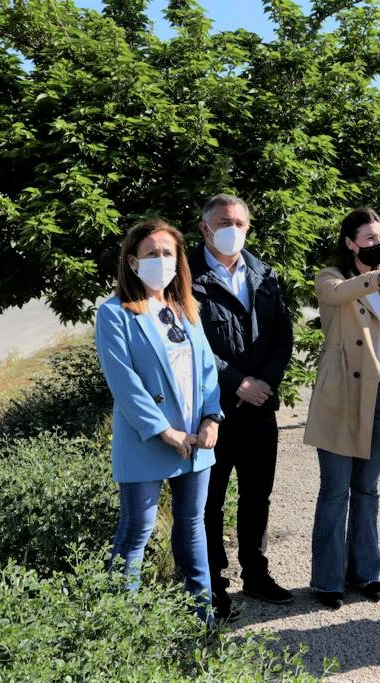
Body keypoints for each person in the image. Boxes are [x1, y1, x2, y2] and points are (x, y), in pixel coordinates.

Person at [95, 218, 222, 622]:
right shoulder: (115, 313)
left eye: (168, 253)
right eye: (152, 254)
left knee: (191, 526)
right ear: (133, 262)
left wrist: (211, 417)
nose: (162, 260)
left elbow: (206, 371)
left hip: (196, 442)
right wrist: (165, 432)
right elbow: (124, 382)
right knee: (137, 531)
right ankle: (122, 628)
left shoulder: (186, 308)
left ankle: (201, 619)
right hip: (148, 440)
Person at [303, 208, 380, 610]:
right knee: (335, 492)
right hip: (344, 398)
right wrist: (379, 276)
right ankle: (327, 581)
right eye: (369, 238)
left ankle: (366, 573)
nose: (377, 244)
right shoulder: (330, 278)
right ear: (350, 242)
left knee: (367, 490)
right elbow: (338, 294)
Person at [190, 193, 294, 620]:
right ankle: (213, 585)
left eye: (240, 223)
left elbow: (282, 336)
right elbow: (190, 342)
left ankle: (256, 572)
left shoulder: (263, 274)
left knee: (258, 496)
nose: (233, 229)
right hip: (212, 410)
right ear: (205, 227)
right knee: (210, 502)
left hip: (259, 409)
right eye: (224, 222)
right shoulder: (186, 277)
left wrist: (265, 383)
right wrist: (238, 382)